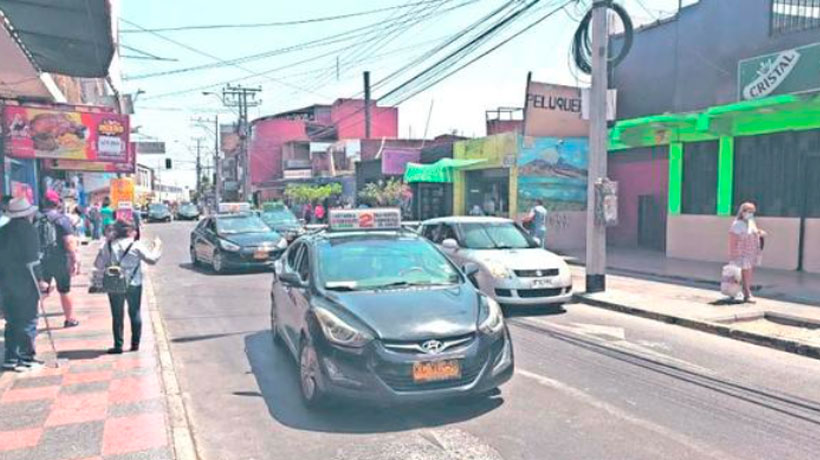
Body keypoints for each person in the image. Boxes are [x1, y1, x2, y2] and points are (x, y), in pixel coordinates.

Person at [94, 220, 162, 354]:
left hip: (114, 283)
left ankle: (118, 345)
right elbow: (152, 260)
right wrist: (157, 247)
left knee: (117, 315)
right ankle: (135, 344)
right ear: (130, 231)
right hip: (134, 283)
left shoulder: (107, 245)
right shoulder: (136, 245)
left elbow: (98, 265)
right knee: (135, 313)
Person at [0, 197, 50, 371]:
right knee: (28, 319)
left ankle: (11, 357)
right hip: (25, 281)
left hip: (6, 282)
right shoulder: (29, 231)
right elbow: (33, 260)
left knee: (12, 320)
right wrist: (41, 280)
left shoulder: (3, 230)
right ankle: (26, 357)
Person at [39, 190, 80, 328]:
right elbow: (69, 241)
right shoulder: (62, 219)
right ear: (57, 203)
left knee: (40, 291)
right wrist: (74, 260)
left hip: (40, 260)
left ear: (43, 202)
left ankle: (30, 319)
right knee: (64, 290)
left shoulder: (35, 218)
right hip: (60, 259)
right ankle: (70, 319)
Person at [729, 202, 766, 303]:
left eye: (752, 212)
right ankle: (746, 293)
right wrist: (733, 254)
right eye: (749, 211)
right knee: (743, 273)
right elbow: (733, 240)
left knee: (748, 273)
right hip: (742, 252)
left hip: (751, 252)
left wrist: (760, 232)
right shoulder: (737, 225)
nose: (751, 214)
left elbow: (753, 232)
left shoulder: (751, 223)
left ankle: (743, 292)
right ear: (742, 212)